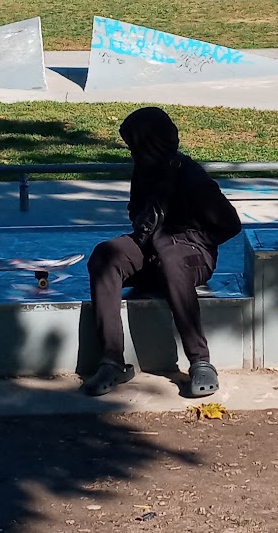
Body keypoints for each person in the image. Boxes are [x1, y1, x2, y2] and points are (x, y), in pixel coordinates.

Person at [81, 107, 243, 399]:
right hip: (151, 247)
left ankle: (200, 361)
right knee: (106, 255)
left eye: (135, 146)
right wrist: (145, 223)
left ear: (151, 143)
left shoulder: (190, 176)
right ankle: (112, 361)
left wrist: (187, 239)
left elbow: (230, 225)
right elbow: (135, 209)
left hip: (193, 254)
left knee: (172, 259)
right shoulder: (144, 169)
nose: (132, 153)